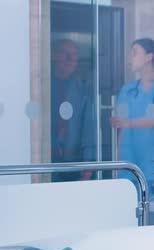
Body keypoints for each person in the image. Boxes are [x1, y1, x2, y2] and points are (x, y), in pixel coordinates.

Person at [112, 38, 154, 227]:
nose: (129, 58)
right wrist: (120, 161)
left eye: (134, 52)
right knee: (132, 216)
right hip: (132, 159)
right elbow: (121, 128)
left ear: (149, 57)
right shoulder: (128, 90)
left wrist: (127, 122)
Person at [50, 38, 96, 181]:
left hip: (74, 162)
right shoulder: (43, 85)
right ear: (54, 55)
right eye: (65, 53)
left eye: (75, 55)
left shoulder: (83, 89)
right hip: (46, 160)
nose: (70, 59)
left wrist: (88, 163)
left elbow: (89, 126)